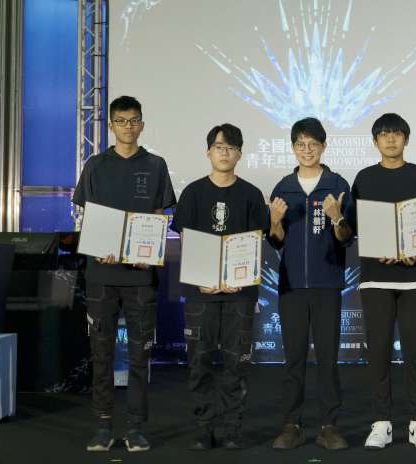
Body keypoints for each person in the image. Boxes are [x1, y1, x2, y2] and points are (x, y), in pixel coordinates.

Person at [72, 95, 176, 452]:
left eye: (133, 120)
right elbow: (86, 216)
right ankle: (103, 426)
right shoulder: (96, 165)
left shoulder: (156, 165)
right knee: (101, 353)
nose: (127, 127)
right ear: (111, 125)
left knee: (139, 356)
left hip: (140, 277)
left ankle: (135, 428)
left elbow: (161, 216)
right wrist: (96, 245)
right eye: (121, 121)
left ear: (142, 124)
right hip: (100, 275)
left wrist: (151, 251)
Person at [170, 124, 269, 450]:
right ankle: (204, 428)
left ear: (240, 154)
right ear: (208, 152)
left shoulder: (251, 194)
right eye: (218, 147)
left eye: (231, 148)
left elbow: (256, 243)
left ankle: (232, 430)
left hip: (240, 295)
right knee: (199, 363)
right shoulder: (193, 193)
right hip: (201, 295)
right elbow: (186, 239)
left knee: (235, 364)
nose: (224, 153)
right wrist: (202, 278)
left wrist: (237, 279)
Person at [347, 113, 416, 450]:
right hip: (376, 277)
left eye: (396, 134)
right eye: (384, 134)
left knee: (415, 350)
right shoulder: (364, 178)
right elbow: (354, 226)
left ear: (406, 139)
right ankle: (381, 422)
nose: (390, 139)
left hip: (415, 278)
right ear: (375, 141)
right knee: (379, 352)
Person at [268, 117, 353, 451]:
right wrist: (275, 222)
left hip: (326, 283)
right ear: (293, 148)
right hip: (291, 286)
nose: (307, 150)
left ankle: (329, 426)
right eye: (301, 144)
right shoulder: (283, 188)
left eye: (313, 144)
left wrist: (337, 217)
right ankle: (291, 425)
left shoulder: (337, 185)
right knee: (294, 358)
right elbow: (276, 240)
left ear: (323, 147)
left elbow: (346, 237)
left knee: (328, 358)